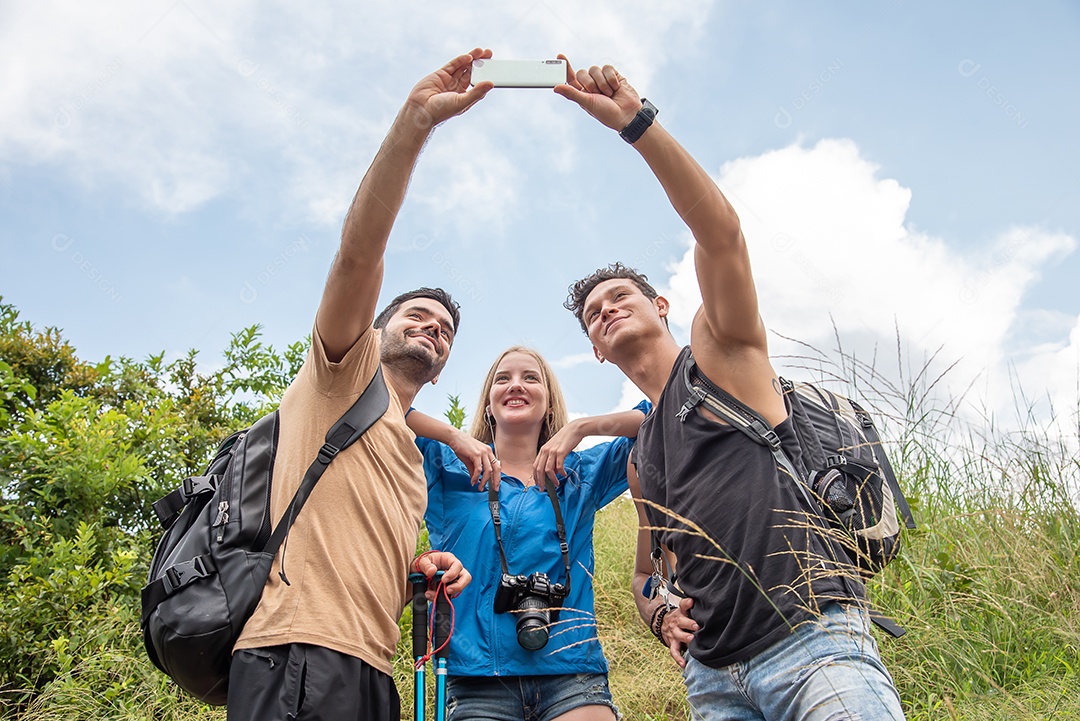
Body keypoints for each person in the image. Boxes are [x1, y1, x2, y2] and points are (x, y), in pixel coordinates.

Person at [557, 61, 907, 720]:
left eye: (620, 295)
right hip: (715, 682)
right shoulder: (640, 459)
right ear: (597, 350)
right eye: (593, 314)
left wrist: (637, 124)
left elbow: (720, 233)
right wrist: (661, 614)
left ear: (660, 304)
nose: (605, 309)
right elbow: (646, 571)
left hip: (815, 646)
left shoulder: (719, 353)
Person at [226, 50, 497, 721]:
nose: (432, 330)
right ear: (374, 332)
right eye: (416, 317)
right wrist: (415, 125)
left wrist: (420, 574)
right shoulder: (339, 374)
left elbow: (354, 561)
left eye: (444, 330)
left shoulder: (410, 460)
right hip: (294, 653)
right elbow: (359, 254)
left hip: (373, 669)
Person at [406, 346, 648, 721]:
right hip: (478, 681)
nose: (515, 385)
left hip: (572, 675)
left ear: (549, 405)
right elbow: (384, 403)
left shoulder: (580, 473)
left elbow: (657, 414)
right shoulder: (447, 466)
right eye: (502, 379)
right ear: (488, 404)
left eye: (530, 378)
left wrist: (580, 428)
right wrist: (453, 436)